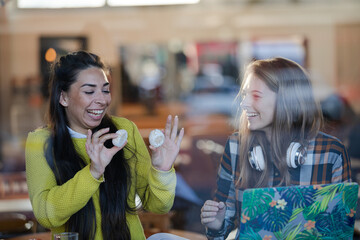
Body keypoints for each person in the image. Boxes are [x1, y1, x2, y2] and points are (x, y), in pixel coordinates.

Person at [25, 51, 185, 240]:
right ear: (63, 97)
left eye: (105, 90)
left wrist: (162, 170)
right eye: (89, 91)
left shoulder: (124, 131)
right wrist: (93, 172)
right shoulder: (41, 142)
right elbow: (46, 216)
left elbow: (159, 206)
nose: (102, 100)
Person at [200, 57, 352, 239]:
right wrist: (216, 224)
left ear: (286, 100)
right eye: (245, 94)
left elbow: (340, 230)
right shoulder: (236, 146)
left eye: (255, 95)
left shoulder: (331, 152)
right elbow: (218, 234)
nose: (244, 104)